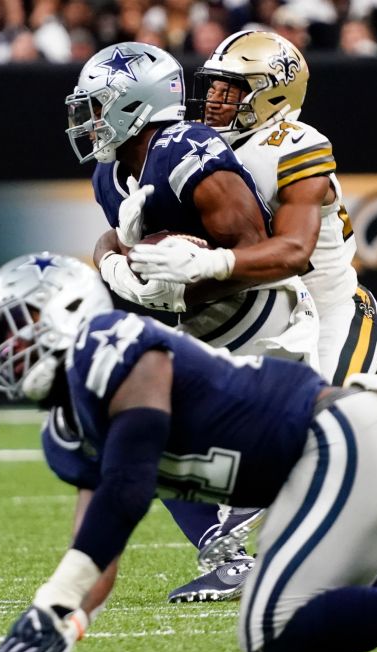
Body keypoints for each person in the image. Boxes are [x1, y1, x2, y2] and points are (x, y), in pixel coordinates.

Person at [0, 254, 377, 652]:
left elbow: (127, 489)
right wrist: (63, 623)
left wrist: (51, 599)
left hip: (344, 435)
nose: (9, 350)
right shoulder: (71, 427)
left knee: (270, 628)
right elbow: (97, 551)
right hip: (326, 456)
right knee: (302, 605)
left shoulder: (110, 344)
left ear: (70, 309)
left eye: (18, 328)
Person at [128, 30, 377, 564]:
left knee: (328, 427)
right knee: (299, 452)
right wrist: (121, 251)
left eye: (231, 88)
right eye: (214, 87)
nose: (216, 99)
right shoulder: (198, 144)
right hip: (269, 318)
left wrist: (208, 263)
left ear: (272, 93)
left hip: (334, 311)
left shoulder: (294, 143)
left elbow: (293, 251)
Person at [68, 42, 323, 602]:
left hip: (258, 319)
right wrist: (110, 259)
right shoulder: (110, 175)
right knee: (139, 427)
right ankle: (228, 557)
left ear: (135, 105)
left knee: (318, 450)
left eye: (97, 105)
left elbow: (255, 245)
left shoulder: (186, 148)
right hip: (206, 328)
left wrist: (194, 271)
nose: (87, 120)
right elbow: (124, 237)